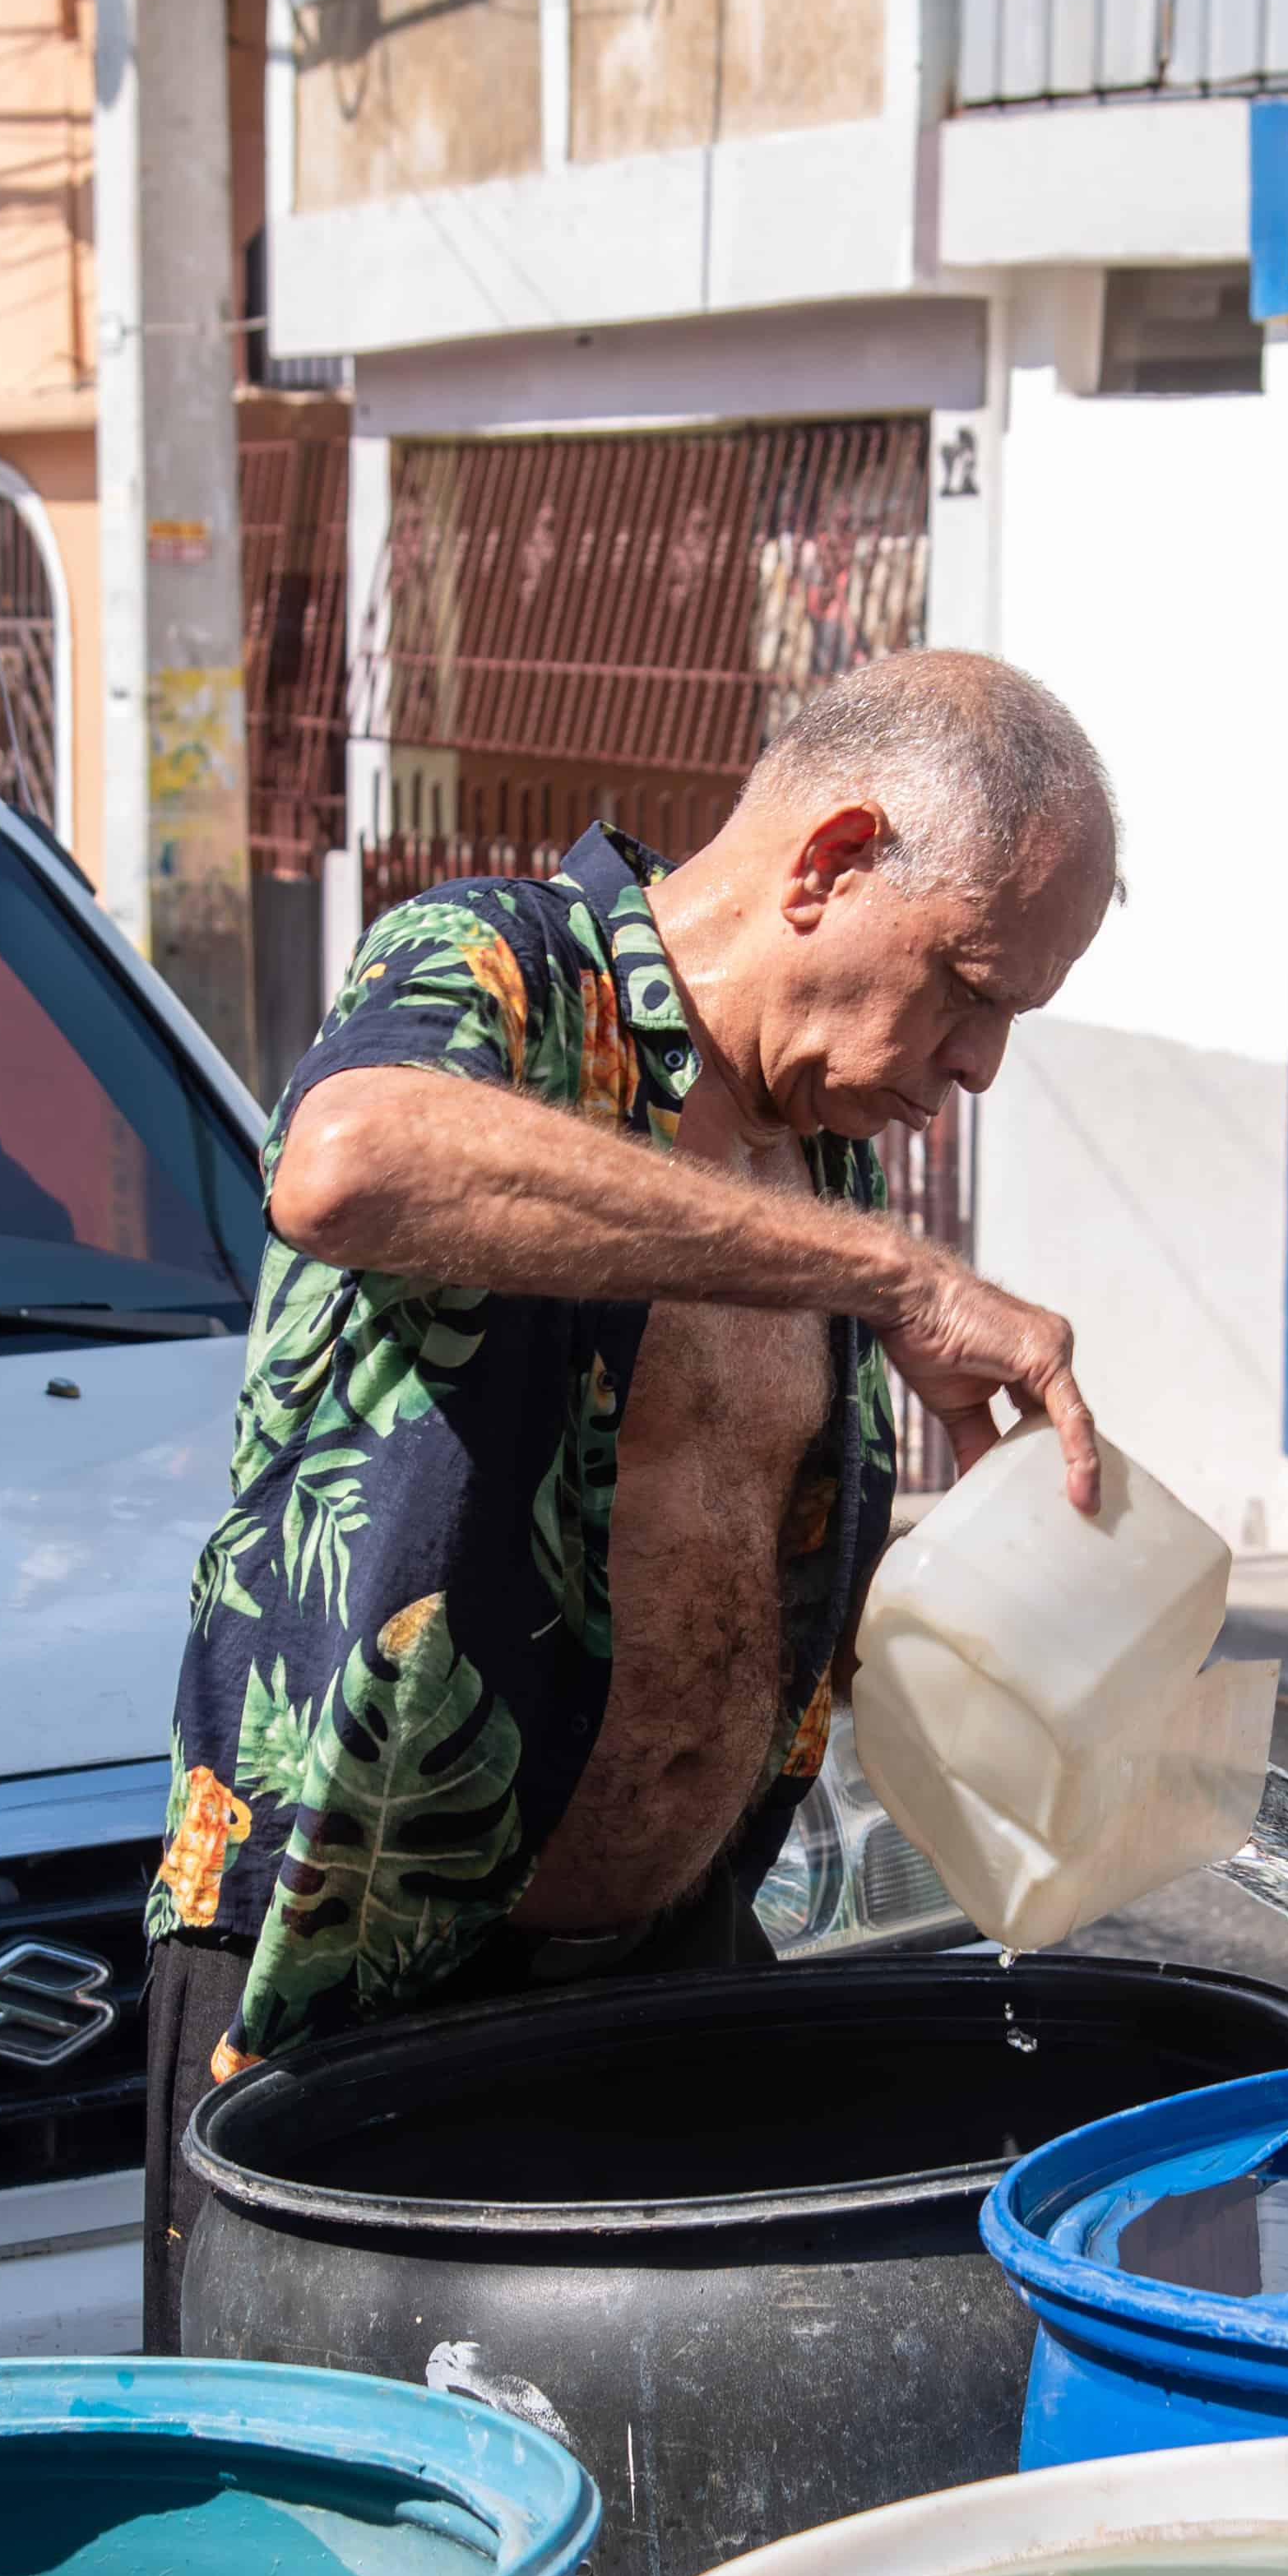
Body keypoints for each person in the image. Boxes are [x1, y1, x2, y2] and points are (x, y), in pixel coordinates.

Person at [139, 649, 1123, 2333]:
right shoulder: (499, 966)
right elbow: (349, 1161)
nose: (974, 1065)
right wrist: (886, 1283)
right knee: (347, 2548)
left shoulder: (818, 1153)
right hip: (344, 1982)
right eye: (967, 986)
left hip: (668, 1975)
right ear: (827, 861)